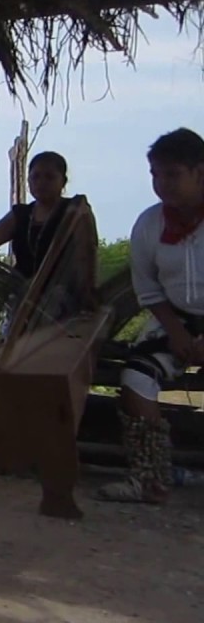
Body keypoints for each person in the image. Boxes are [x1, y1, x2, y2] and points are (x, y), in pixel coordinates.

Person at [97, 128, 204, 504]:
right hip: (175, 318)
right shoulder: (149, 224)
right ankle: (150, 477)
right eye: (155, 175)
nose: (161, 184)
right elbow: (149, 290)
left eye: (172, 174)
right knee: (137, 375)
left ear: (200, 173)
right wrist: (175, 333)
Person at [0, 151, 98, 331]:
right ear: (28, 182)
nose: (41, 182)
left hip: (61, 302)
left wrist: (86, 294)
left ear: (63, 182)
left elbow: (86, 254)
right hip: (23, 298)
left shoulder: (75, 212)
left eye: (49, 177)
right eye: (35, 177)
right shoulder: (22, 214)